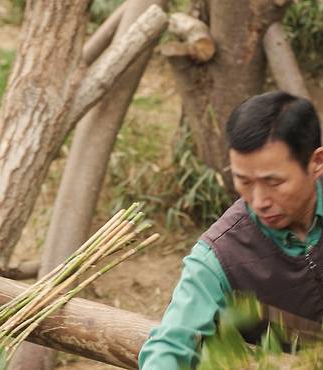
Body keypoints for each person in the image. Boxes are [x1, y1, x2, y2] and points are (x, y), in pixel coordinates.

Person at [138, 90, 323, 369]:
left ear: (316, 163)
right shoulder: (220, 254)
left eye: (274, 182)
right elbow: (170, 345)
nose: (259, 201)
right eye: (244, 181)